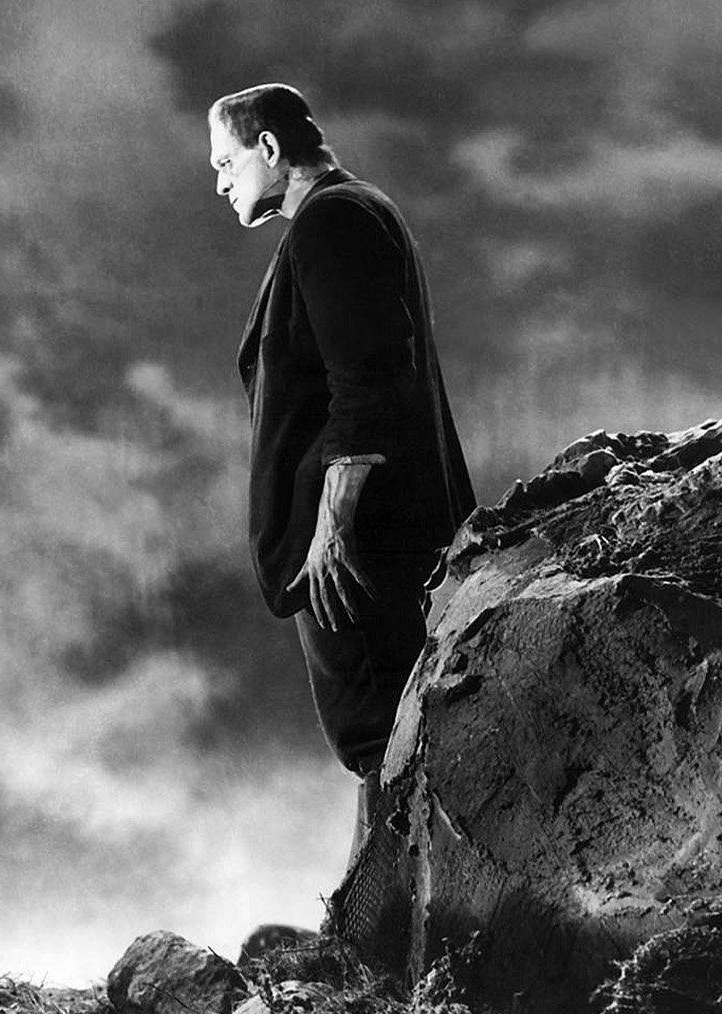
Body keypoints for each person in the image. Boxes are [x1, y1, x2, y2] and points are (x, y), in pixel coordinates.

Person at [206, 85, 475, 860]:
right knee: (387, 738)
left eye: (226, 162)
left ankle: (387, 917)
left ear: (268, 148)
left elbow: (366, 382)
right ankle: (378, 911)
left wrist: (331, 529)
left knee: (382, 733)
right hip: (369, 541)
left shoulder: (333, 220)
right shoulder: (349, 214)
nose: (220, 183)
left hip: (358, 549)